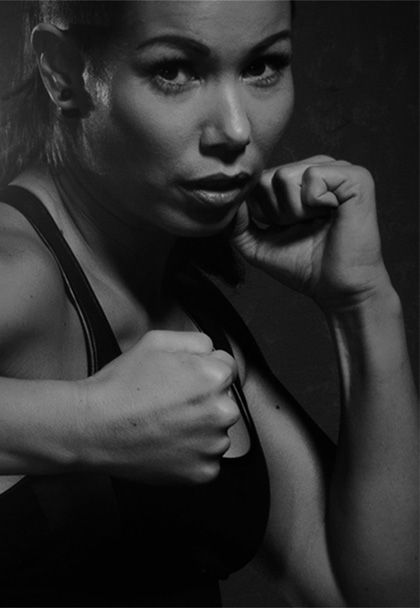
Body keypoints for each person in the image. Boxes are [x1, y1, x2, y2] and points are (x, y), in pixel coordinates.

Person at [0, 1, 417, 606]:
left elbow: (368, 594)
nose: (237, 129)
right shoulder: (17, 268)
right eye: (174, 71)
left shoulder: (180, 300)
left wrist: (362, 300)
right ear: (63, 73)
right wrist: (89, 423)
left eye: (263, 66)